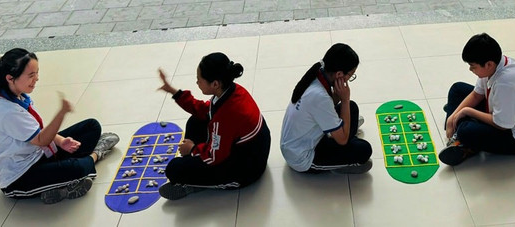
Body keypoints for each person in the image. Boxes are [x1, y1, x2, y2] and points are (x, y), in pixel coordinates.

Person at [0, 48, 119, 204]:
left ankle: (58, 184)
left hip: (38, 154)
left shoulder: (18, 96)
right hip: (20, 177)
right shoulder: (6, 112)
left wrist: (61, 141)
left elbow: (37, 132)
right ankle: (96, 154)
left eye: (37, 73)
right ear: (10, 78)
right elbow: (41, 139)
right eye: (31, 75)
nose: (36, 79)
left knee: (92, 126)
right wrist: (61, 113)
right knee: (79, 169)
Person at [155, 53, 271, 200]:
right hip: (249, 146)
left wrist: (192, 150)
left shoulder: (226, 115)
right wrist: (173, 91)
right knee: (195, 121)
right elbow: (204, 110)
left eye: (199, 80)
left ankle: (192, 184)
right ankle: (193, 160)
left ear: (215, 84)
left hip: (247, 169)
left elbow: (215, 156)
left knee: (174, 169)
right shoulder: (231, 90)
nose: (197, 82)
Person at [439, 33, 515, 166]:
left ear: (489, 64)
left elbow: (501, 125)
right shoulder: (496, 65)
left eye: (473, 66)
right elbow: (476, 95)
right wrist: (453, 117)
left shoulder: (507, 83)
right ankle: (461, 127)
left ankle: (464, 143)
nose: (470, 69)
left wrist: (466, 111)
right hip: (501, 112)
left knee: (465, 130)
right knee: (457, 89)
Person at [280, 43, 372, 174]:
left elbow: (328, 105)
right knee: (364, 150)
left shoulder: (320, 72)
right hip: (302, 157)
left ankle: (342, 130)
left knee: (352, 107)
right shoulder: (319, 97)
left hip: (302, 139)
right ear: (339, 74)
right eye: (350, 76)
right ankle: (340, 164)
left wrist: (340, 97)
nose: (349, 79)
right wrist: (344, 99)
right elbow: (342, 140)